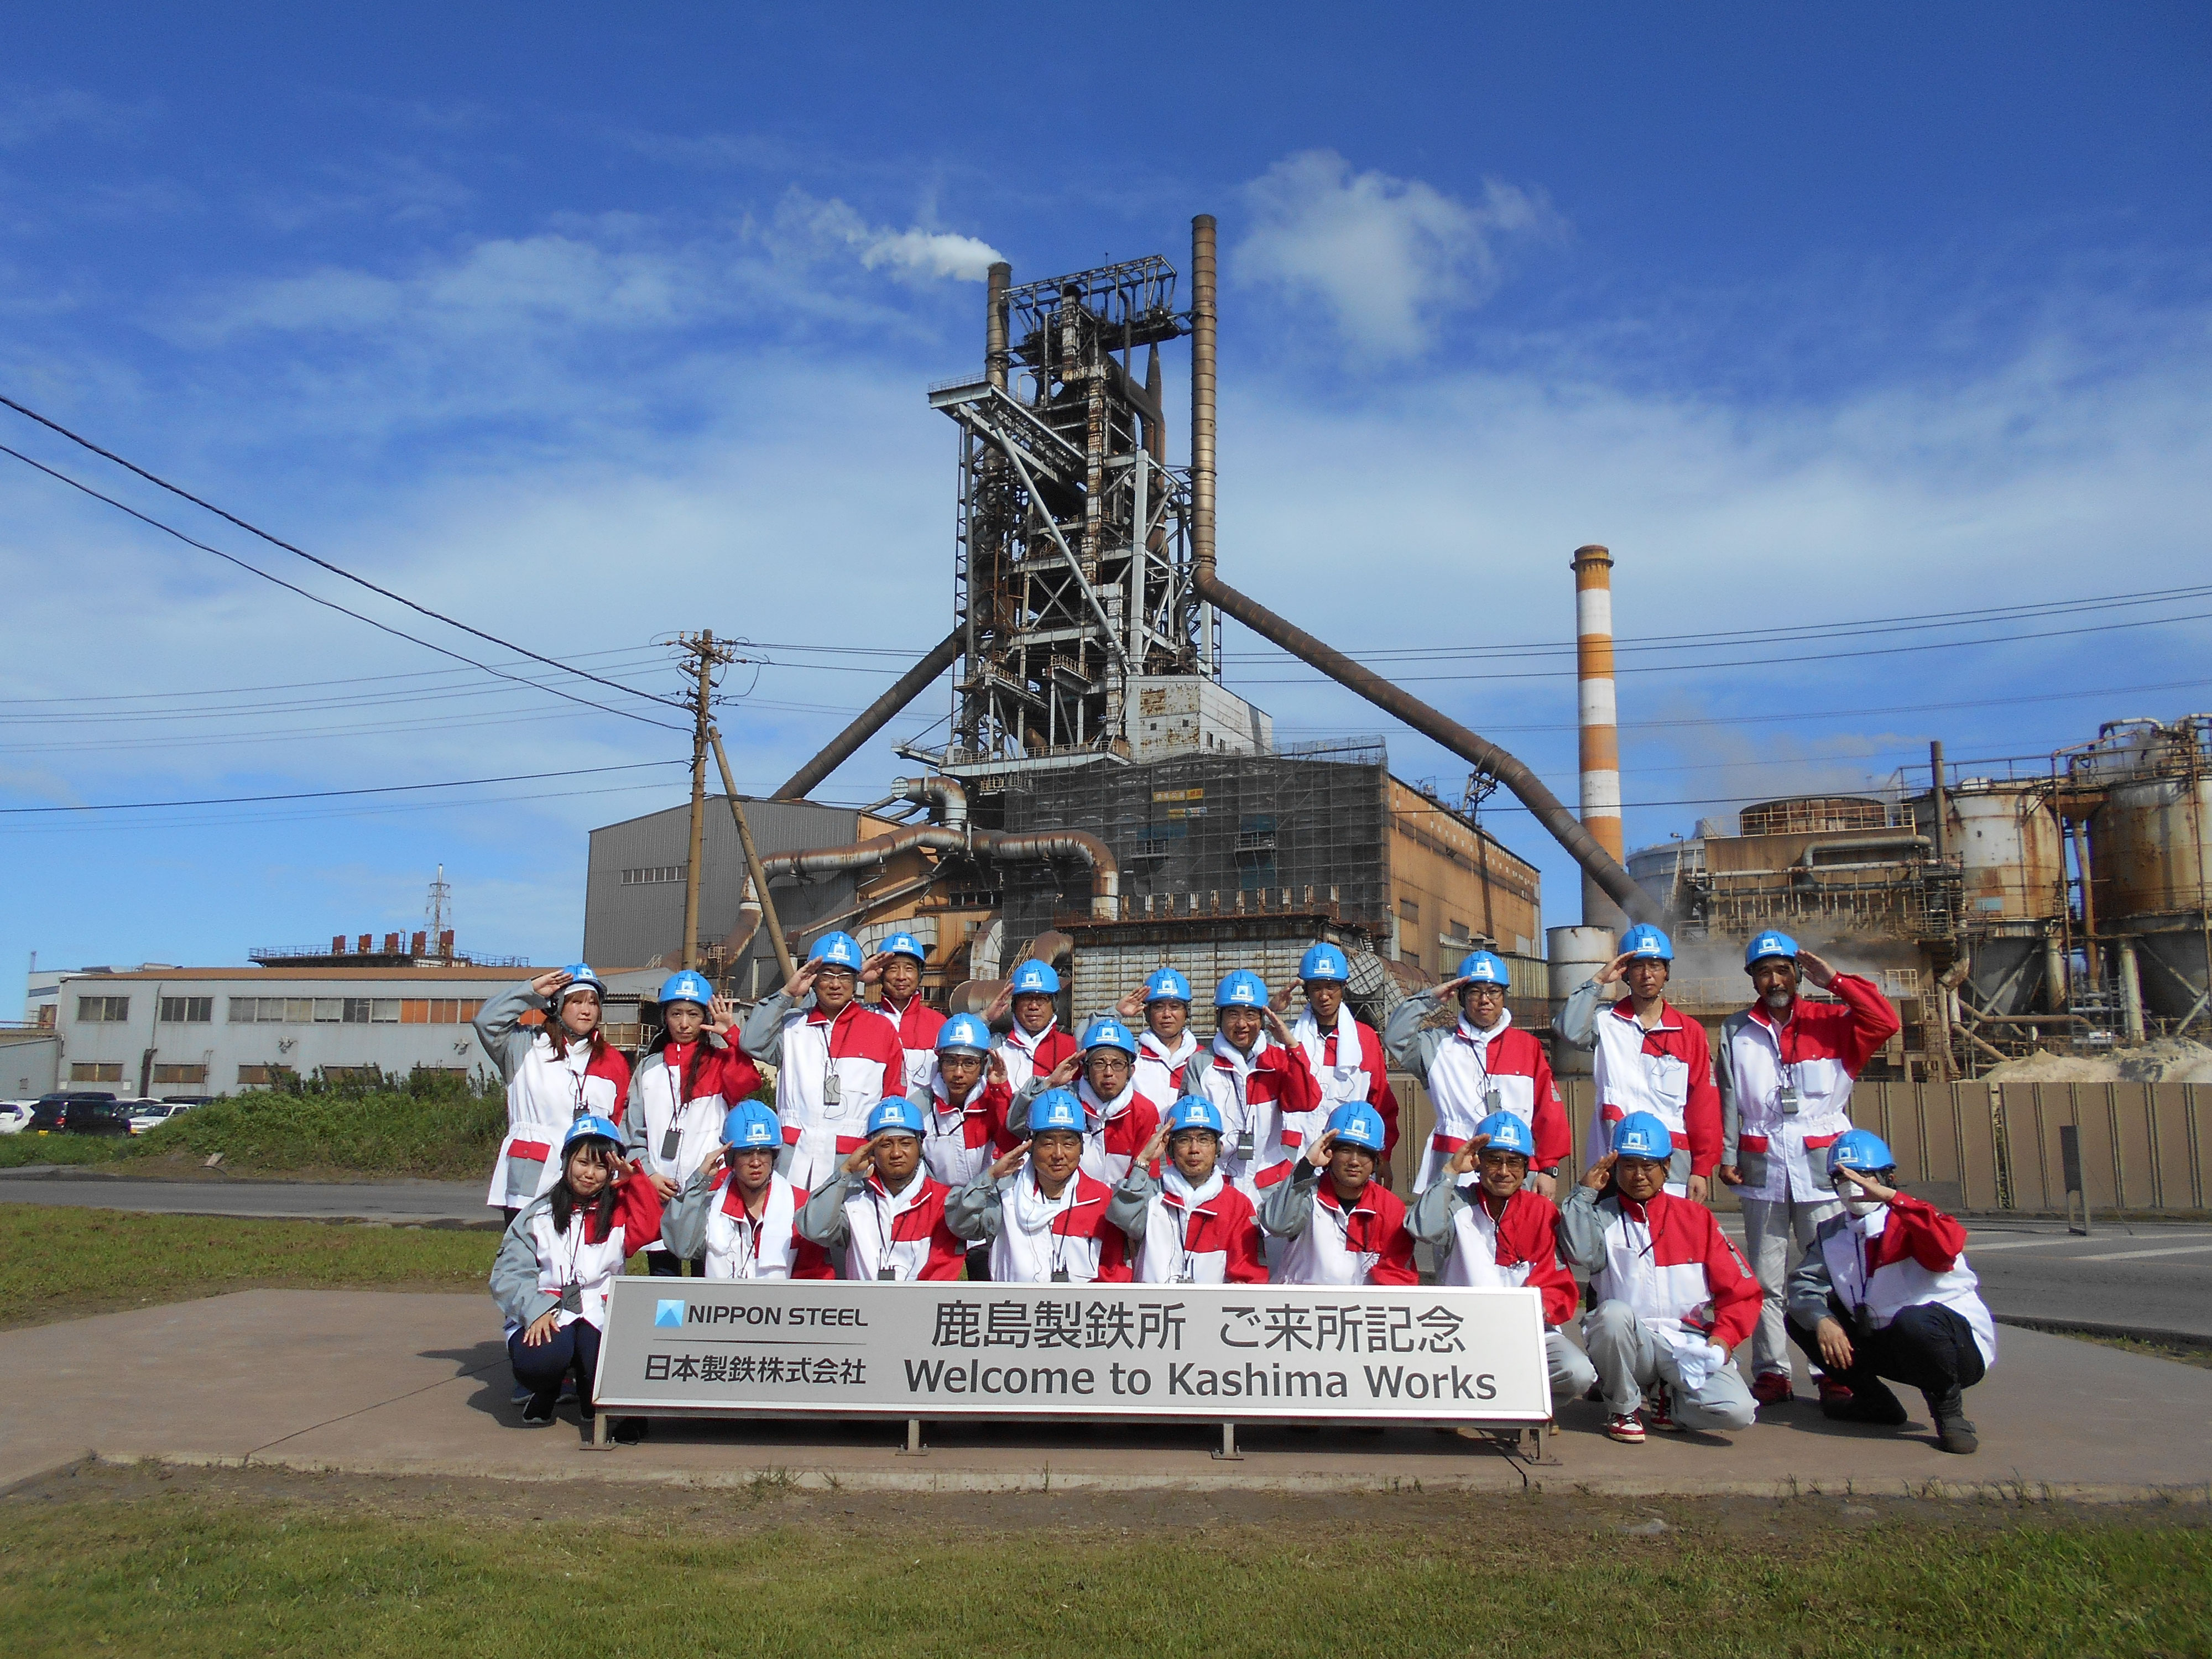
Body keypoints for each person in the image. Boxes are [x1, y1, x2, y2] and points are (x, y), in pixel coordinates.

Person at [1717, 930, 1902, 1408]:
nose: (1774, 980)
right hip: (1764, 1170)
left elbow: (1886, 1020)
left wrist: (1836, 980)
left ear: (1798, 975)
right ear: (1753, 980)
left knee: (1831, 1276)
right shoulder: (1737, 1030)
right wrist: (1728, 1154)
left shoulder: (1835, 1020)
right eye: (1764, 972)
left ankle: (1832, 1371)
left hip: (1823, 1170)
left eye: (1782, 970)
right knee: (1764, 1278)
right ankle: (1772, 1371)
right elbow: (1730, 1098)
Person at [1786, 1129, 1994, 1454]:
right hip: (1888, 1339)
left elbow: (1947, 1246)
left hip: (1952, 1347)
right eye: (1842, 1177)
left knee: (1915, 1321)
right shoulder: (1833, 1232)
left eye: (1864, 1176)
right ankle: (1875, 1403)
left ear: (1888, 1177)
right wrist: (1822, 1319)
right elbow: (1802, 1285)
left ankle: (1950, 1414)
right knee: (1802, 1320)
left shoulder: (1913, 1218)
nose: (1853, 1185)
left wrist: (1893, 1200)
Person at [1559, 1112, 1762, 1444]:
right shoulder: (1600, 1216)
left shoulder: (1698, 1219)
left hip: (1685, 1344)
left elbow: (1743, 1293)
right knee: (1611, 1314)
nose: (1638, 1176)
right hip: (1632, 1345)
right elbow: (1579, 1252)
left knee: (1737, 1412)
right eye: (1628, 1166)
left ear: (1667, 1167)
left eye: (1648, 1165)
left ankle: (1669, 1402)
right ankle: (1623, 1408)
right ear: (1614, 1169)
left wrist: (1723, 1341)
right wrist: (1583, 1193)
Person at [1406, 1110, 1597, 1406]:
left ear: (1526, 1168)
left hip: (1526, 1331)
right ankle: (1462, 1407)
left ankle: (1530, 1407)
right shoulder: (1455, 1200)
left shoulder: (1542, 1211)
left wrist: (1528, 1315)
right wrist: (1450, 1172)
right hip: (1457, 1332)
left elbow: (1558, 1286)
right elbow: (1422, 1229)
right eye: (1494, 1160)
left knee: (1578, 1371)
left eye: (1514, 1162)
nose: (1504, 1171)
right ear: (1478, 1162)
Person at [489, 1114, 660, 1435]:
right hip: (549, 1308)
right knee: (540, 1362)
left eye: (600, 1167)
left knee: (605, 1365)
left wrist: (635, 1180)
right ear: (567, 1161)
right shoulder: (536, 1214)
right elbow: (507, 1275)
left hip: (601, 1311)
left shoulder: (620, 1211)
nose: (590, 1174)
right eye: (583, 1162)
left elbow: (652, 1226)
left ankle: (587, 1393)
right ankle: (547, 1389)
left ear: (611, 1171)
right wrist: (534, 1309)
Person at [1557, 924, 1721, 1203]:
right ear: (1625, 973)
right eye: (1637, 966)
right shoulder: (1606, 1022)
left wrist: (1702, 1168)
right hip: (1613, 1160)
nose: (1647, 974)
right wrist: (1598, 980)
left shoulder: (1689, 1032)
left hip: (1671, 1163)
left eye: (1655, 965)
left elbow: (1703, 1104)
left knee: (1670, 1243)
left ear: (1667, 971)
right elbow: (1569, 1030)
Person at [1384, 950, 1568, 1196]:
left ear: (1504, 996)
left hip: (1512, 1168)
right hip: (1453, 1169)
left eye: (1493, 991)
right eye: (1474, 992)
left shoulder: (1528, 1046)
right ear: (1460, 997)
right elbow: (1395, 1037)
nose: (1485, 999)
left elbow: (1549, 1110)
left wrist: (1549, 1168)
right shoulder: (1436, 1044)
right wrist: (1429, 999)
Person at [741, 931, 908, 1193]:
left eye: (844, 976)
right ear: (813, 979)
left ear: (856, 982)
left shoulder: (882, 1030)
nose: (835, 984)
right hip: (792, 1161)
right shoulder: (792, 1025)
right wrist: (788, 993)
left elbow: (894, 1097)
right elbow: (751, 1042)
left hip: (852, 1164)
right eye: (827, 974)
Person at [624, 969, 765, 1277]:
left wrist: (730, 1035)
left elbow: (748, 1081)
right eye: (676, 1014)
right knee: (665, 1287)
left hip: (709, 1191)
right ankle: (665, 1329)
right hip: (659, 1192)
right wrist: (649, 1175)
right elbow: (633, 1132)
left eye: (693, 1014)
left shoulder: (720, 1061)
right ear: (665, 1016)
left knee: (708, 1278)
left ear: (705, 1016)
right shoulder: (648, 1069)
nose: (685, 1024)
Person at [477, 964, 633, 1221]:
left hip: (587, 1181)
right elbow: (485, 1021)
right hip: (531, 1176)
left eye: (593, 1003)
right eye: (577, 1001)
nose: (586, 1010)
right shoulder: (522, 1044)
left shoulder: (614, 1061)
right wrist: (531, 991)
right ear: (556, 1005)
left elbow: (619, 1125)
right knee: (524, 1259)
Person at [947, 1088, 1131, 1283]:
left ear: (1081, 1147)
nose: (1059, 1154)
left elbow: (1115, 1273)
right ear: (1031, 1145)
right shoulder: (1005, 1194)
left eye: (1068, 1144)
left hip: (1078, 1311)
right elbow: (961, 1225)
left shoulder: (1102, 1199)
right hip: (1015, 1309)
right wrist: (990, 1177)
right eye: (1048, 1143)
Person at [1180, 969, 1321, 1198]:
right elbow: (1190, 1127)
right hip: (1218, 1179)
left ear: (1263, 1018)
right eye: (1233, 1014)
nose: (1242, 1024)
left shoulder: (1277, 1059)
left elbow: (1306, 1101)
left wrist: (1292, 1046)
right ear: (1220, 1018)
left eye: (1251, 1015)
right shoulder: (1201, 1064)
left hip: (1269, 1180)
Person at [794, 1097, 968, 1281]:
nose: (896, 1153)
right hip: (862, 1306)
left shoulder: (945, 1201)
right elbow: (815, 1229)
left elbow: (943, 1272)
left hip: (921, 1306)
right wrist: (845, 1172)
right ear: (871, 1151)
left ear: (920, 1146)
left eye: (905, 1143)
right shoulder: (854, 1200)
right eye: (885, 1145)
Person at [660, 1102, 834, 1281]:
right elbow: (683, 1247)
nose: (756, 1162)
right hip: (722, 1306)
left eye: (763, 1152)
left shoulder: (801, 1206)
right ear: (730, 1158)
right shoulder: (710, 1203)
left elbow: (815, 1276)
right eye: (746, 1153)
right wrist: (699, 1183)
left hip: (780, 1307)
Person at [1106, 1097, 1266, 1284]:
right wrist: (1144, 1160)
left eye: (1204, 1140)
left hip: (1209, 1311)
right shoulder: (1150, 1193)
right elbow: (1120, 1215)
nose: (1194, 1149)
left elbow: (1250, 1277)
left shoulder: (1238, 1205)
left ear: (1217, 1147)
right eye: (1184, 1140)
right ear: (1170, 1148)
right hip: (1154, 1310)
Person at [1257, 1102, 1418, 1286]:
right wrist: (1306, 1166)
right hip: (1300, 1309)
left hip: (1359, 1311)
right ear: (1329, 1152)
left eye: (1365, 1152)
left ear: (1376, 1160)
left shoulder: (1390, 1207)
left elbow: (1399, 1277)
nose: (1355, 1161)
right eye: (1346, 1150)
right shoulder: (1306, 1194)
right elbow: (1277, 1225)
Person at [1289, 942, 1401, 1182]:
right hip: (1295, 1158)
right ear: (1306, 991)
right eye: (1316, 988)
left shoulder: (1365, 1039)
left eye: (1331, 987)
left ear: (1344, 987)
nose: (1324, 995)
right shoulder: (1288, 1039)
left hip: (1349, 1162)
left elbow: (1381, 1102)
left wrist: (1384, 1156)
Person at [1003, 1016, 1164, 1184]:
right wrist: (1048, 1084)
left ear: (1131, 1070)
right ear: (1085, 1069)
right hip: (1068, 1202)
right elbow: (1017, 1127)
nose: (1109, 1073)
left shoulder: (1144, 1111)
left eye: (1118, 1064)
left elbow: (1147, 1177)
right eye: (1099, 1063)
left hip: (1122, 1203)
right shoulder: (1064, 1099)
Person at [911, 1013, 1008, 1280]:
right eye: (950, 1062)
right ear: (939, 1061)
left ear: (984, 1064)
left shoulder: (996, 1100)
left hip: (988, 1216)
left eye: (969, 1063)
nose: (958, 1073)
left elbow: (1013, 1144)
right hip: (936, 1218)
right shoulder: (919, 1107)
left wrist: (1001, 1095)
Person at [864, 931, 943, 1095]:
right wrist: (857, 977)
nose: (901, 977)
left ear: (920, 974)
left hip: (924, 1119)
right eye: (893, 969)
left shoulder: (939, 1023)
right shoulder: (864, 1019)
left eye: (909, 969)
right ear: (880, 974)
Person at [992, 958, 1078, 1095]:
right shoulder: (995, 1050)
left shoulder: (1073, 1049)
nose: (1033, 1006)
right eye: (1026, 999)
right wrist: (986, 1017)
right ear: (1014, 1005)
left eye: (1041, 999)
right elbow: (957, 1046)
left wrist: (1116, 1012)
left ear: (1055, 1004)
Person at [1117, 967, 1198, 1105]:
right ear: (1147, 1013)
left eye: (1174, 1007)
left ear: (1187, 1012)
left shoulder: (1203, 1059)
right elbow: (1085, 1048)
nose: (1167, 1014)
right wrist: (1116, 1013)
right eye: (1159, 1007)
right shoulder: (1132, 1057)